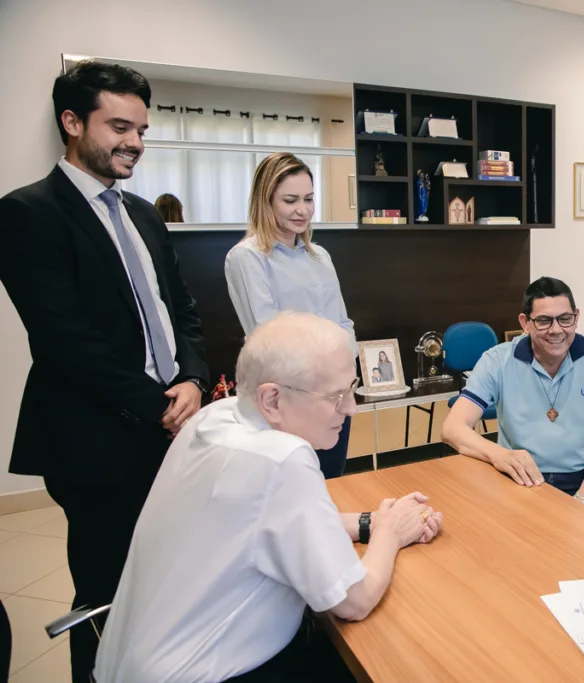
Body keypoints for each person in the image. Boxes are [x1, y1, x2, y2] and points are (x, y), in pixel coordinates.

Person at [0, 60, 209, 683]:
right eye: (119, 126)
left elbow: (183, 312)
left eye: (141, 129)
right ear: (72, 122)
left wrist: (194, 380)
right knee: (107, 591)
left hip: (174, 425)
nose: (135, 143)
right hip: (96, 442)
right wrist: (158, 405)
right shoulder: (27, 213)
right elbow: (66, 342)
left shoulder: (143, 213)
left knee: (172, 575)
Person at [94, 312, 444, 683]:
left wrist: (368, 523)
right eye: (337, 396)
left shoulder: (215, 418)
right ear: (272, 398)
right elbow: (354, 600)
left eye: (351, 388)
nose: (351, 407)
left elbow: (262, 524)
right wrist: (390, 533)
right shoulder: (281, 458)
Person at [441, 276, 584, 518]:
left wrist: (582, 500)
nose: (556, 330)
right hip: (519, 477)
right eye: (543, 321)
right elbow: (452, 428)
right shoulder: (497, 360)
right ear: (525, 323)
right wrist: (500, 455)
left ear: (576, 317)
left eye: (565, 319)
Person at [225, 152, 357, 479]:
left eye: (309, 199)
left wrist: (345, 376)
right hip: (291, 400)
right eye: (290, 200)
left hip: (335, 394)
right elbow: (267, 336)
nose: (303, 210)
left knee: (331, 483)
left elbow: (343, 323)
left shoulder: (320, 256)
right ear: (266, 201)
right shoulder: (247, 257)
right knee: (294, 489)